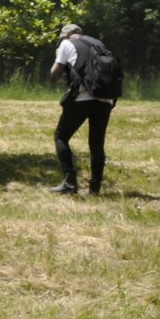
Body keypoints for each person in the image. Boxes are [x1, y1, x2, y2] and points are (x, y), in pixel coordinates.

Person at [49, 23, 115, 195]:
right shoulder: (98, 44)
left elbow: (54, 74)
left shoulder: (66, 44)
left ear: (65, 36)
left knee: (61, 136)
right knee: (96, 144)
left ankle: (70, 183)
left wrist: (59, 57)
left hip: (82, 98)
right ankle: (95, 188)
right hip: (105, 99)